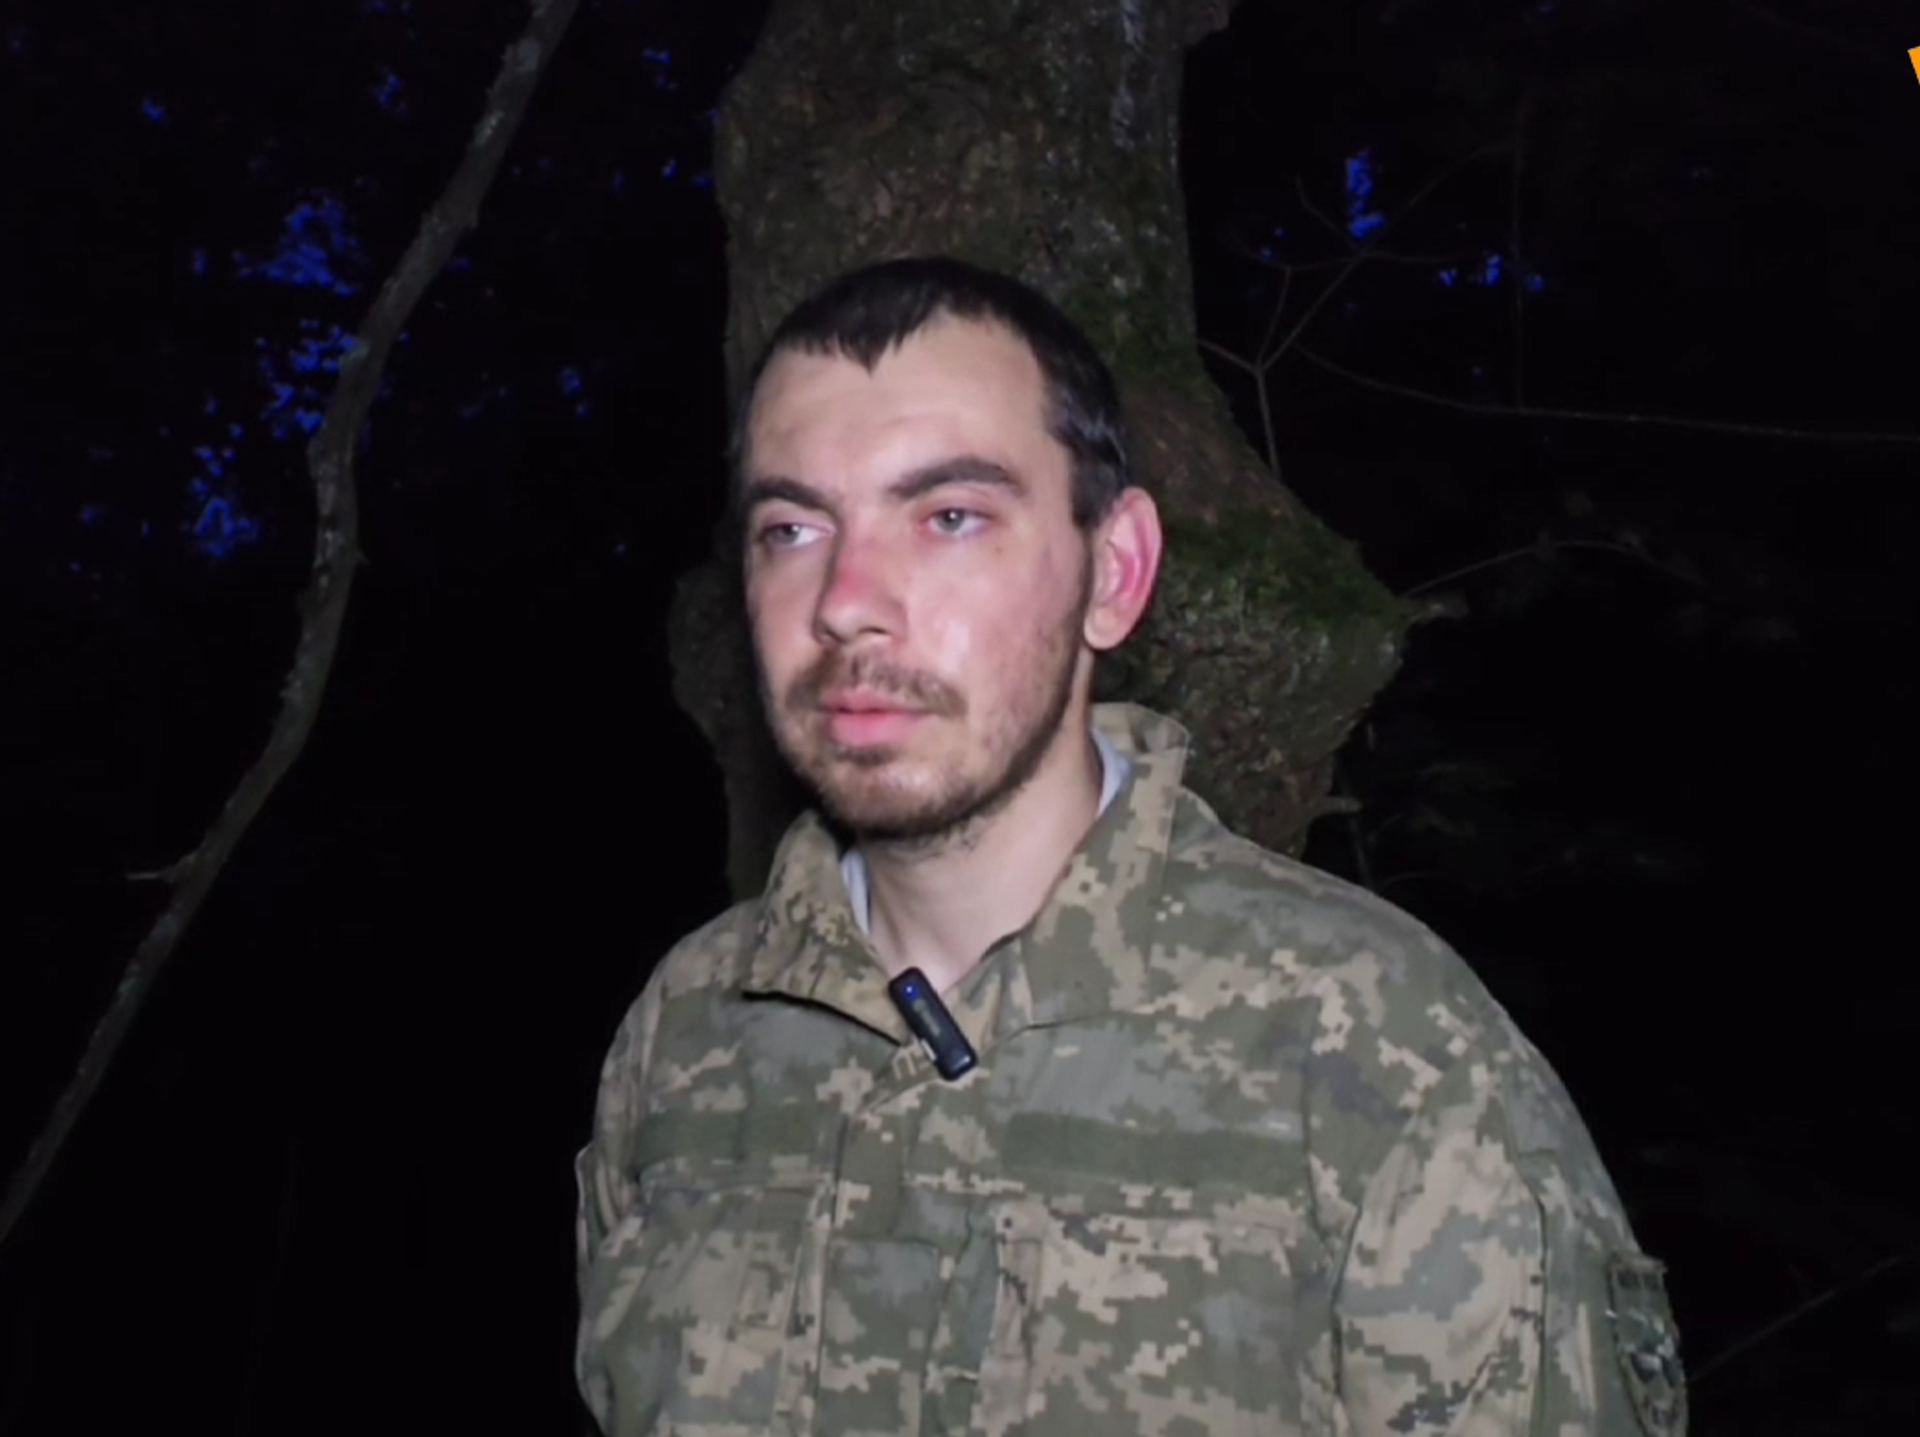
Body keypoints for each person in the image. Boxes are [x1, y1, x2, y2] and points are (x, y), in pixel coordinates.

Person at [574, 256, 1686, 1437]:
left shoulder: (1374, 1047)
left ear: (1114, 573)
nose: (846, 599)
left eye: (950, 517)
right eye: (793, 527)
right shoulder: (685, 1033)